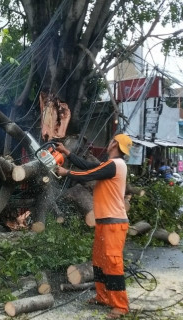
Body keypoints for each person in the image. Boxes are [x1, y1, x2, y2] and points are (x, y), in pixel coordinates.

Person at [55, 133, 132, 319]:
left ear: (114, 143)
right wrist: (67, 153)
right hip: (104, 221)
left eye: (111, 140)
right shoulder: (109, 165)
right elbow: (88, 166)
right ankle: (103, 297)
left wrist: (67, 173)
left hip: (114, 223)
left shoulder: (116, 165)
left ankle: (120, 306)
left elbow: (89, 174)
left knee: (113, 263)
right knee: (99, 262)